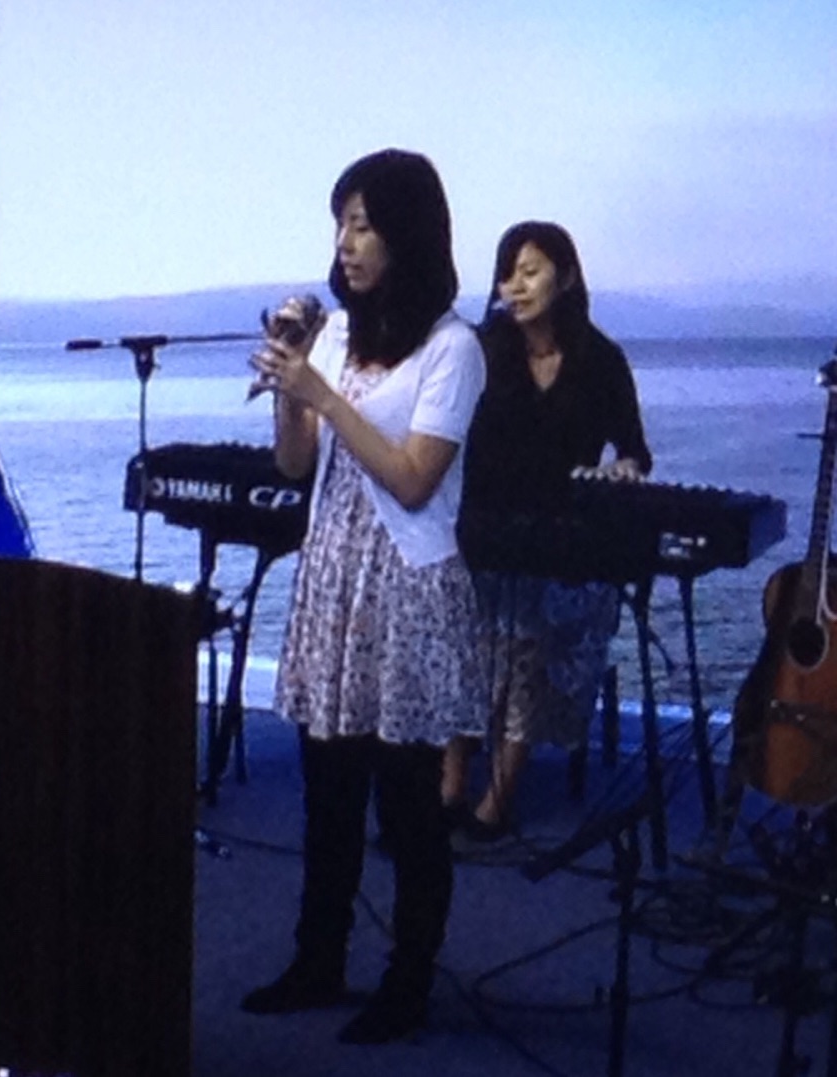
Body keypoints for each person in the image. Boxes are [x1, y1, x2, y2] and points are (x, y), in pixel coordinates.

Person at [240, 148, 487, 1044]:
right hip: (335, 578)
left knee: (411, 807)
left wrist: (324, 394)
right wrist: (291, 382)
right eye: (340, 223)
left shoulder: (456, 348)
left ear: (407, 234)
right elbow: (294, 464)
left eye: (363, 224)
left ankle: (408, 980)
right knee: (329, 794)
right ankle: (318, 959)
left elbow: (415, 478)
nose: (346, 243)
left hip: (407, 589)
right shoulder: (338, 333)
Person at [442, 221, 652, 841]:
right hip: (482, 532)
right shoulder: (481, 351)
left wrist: (622, 469)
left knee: (535, 632)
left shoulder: (602, 360)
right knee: (462, 632)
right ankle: (448, 787)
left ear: (566, 277)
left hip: (564, 543)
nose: (515, 286)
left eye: (530, 272)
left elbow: (636, 451)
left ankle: (498, 798)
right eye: (507, 274)